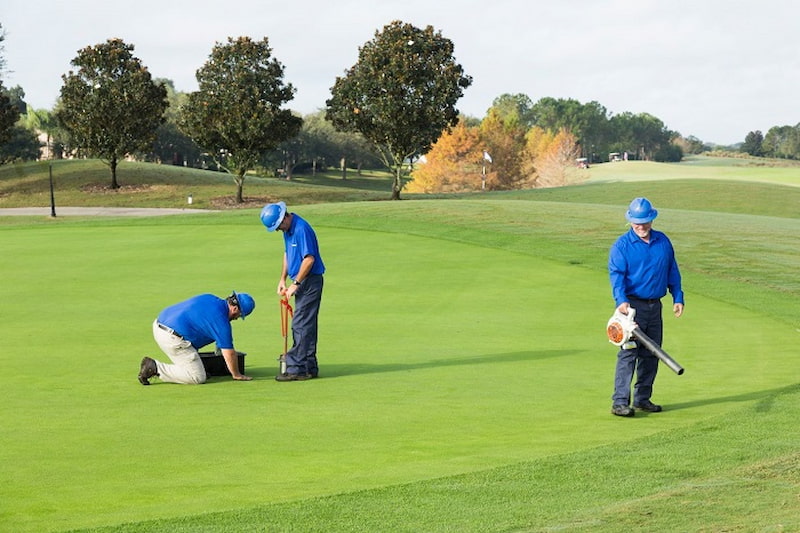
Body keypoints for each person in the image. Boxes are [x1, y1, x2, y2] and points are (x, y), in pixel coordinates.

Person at [608, 197, 684, 417]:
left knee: (652, 354)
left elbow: (672, 271)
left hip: (655, 308)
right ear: (630, 221)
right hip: (631, 309)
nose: (641, 226)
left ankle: (642, 398)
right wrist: (621, 301)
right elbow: (617, 277)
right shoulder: (621, 246)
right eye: (636, 222)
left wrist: (677, 297)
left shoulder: (663, 242)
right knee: (628, 354)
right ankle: (620, 402)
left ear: (652, 219)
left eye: (645, 221)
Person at [260, 201, 325, 381]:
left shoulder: (301, 228)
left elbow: (309, 259)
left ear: (284, 218)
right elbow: (287, 254)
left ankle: (297, 369)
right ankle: (309, 365)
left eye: (278, 226)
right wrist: (283, 278)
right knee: (307, 324)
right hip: (300, 280)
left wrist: (295, 283)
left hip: (309, 282)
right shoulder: (288, 230)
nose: (279, 230)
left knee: (301, 323)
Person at [137, 291, 255, 385]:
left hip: (159, 324)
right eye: (239, 315)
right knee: (197, 377)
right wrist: (236, 374)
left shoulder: (210, 298)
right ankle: (156, 368)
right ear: (235, 309)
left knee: (195, 353)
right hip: (171, 338)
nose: (236, 318)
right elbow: (229, 353)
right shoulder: (221, 322)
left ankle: (192, 366)